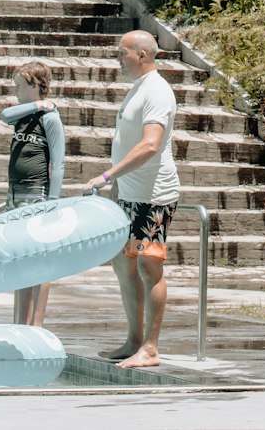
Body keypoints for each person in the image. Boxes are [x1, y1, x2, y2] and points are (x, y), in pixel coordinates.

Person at [82, 30, 180, 369]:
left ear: (141, 54)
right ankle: (134, 340)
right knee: (123, 264)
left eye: (121, 52)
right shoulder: (139, 88)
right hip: (130, 194)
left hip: (154, 197)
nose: (117, 58)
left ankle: (151, 348)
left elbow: (151, 144)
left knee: (148, 266)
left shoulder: (157, 91)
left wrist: (108, 175)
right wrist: (118, 185)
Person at [0, 60, 65, 327]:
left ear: (36, 85)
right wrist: (39, 103)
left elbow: (58, 163)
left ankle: (35, 323)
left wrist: (53, 203)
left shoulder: (51, 118)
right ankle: (19, 321)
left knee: (39, 259)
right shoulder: (23, 114)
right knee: (19, 258)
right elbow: (4, 115)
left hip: (36, 194)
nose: (15, 90)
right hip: (14, 193)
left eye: (19, 86)